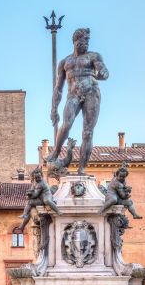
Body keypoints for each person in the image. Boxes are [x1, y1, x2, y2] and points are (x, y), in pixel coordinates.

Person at [46, 27, 109, 175]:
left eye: (88, 40)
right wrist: (54, 109)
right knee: (66, 125)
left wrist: (103, 73)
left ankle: (81, 169)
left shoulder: (94, 56)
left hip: (91, 93)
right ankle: (55, 152)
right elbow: (58, 88)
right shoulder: (64, 63)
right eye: (83, 40)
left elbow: (103, 70)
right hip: (72, 95)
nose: (86, 43)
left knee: (87, 133)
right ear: (75, 41)